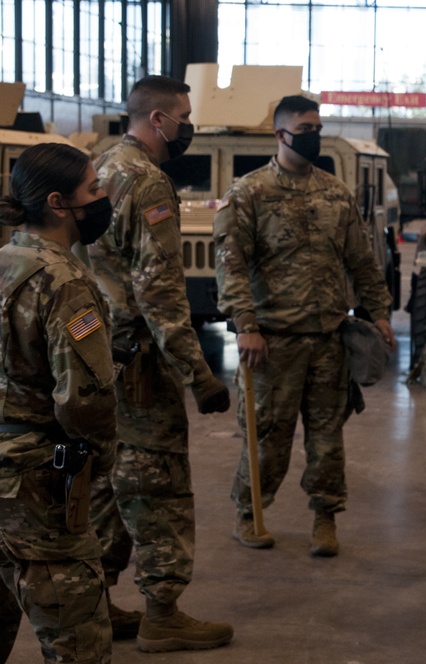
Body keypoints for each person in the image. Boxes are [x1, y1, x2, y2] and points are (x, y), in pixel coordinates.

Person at [86, 74, 234, 653]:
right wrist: (200, 377)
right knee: (158, 485)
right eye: (184, 116)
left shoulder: (100, 168)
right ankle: (163, 613)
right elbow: (161, 295)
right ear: (158, 120)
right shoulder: (148, 183)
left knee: (107, 483)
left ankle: (94, 603)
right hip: (140, 365)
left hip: (95, 356)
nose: (187, 127)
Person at [213, 95, 396, 557]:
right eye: (305, 127)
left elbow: (362, 262)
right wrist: (246, 325)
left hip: (329, 340)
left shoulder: (336, 193)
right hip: (272, 343)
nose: (314, 134)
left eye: (318, 125)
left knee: (327, 438)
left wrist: (379, 313)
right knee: (267, 437)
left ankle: (325, 519)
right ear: (281, 134)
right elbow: (231, 267)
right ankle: (249, 513)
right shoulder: (249, 194)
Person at [0, 142, 118, 662]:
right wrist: (102, 455)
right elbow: (83, 399)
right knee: (78, 640)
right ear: (57, 202)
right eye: (93, 189)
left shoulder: (4, 262)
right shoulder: (65, 282)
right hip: (37, 488)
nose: (103, 197)